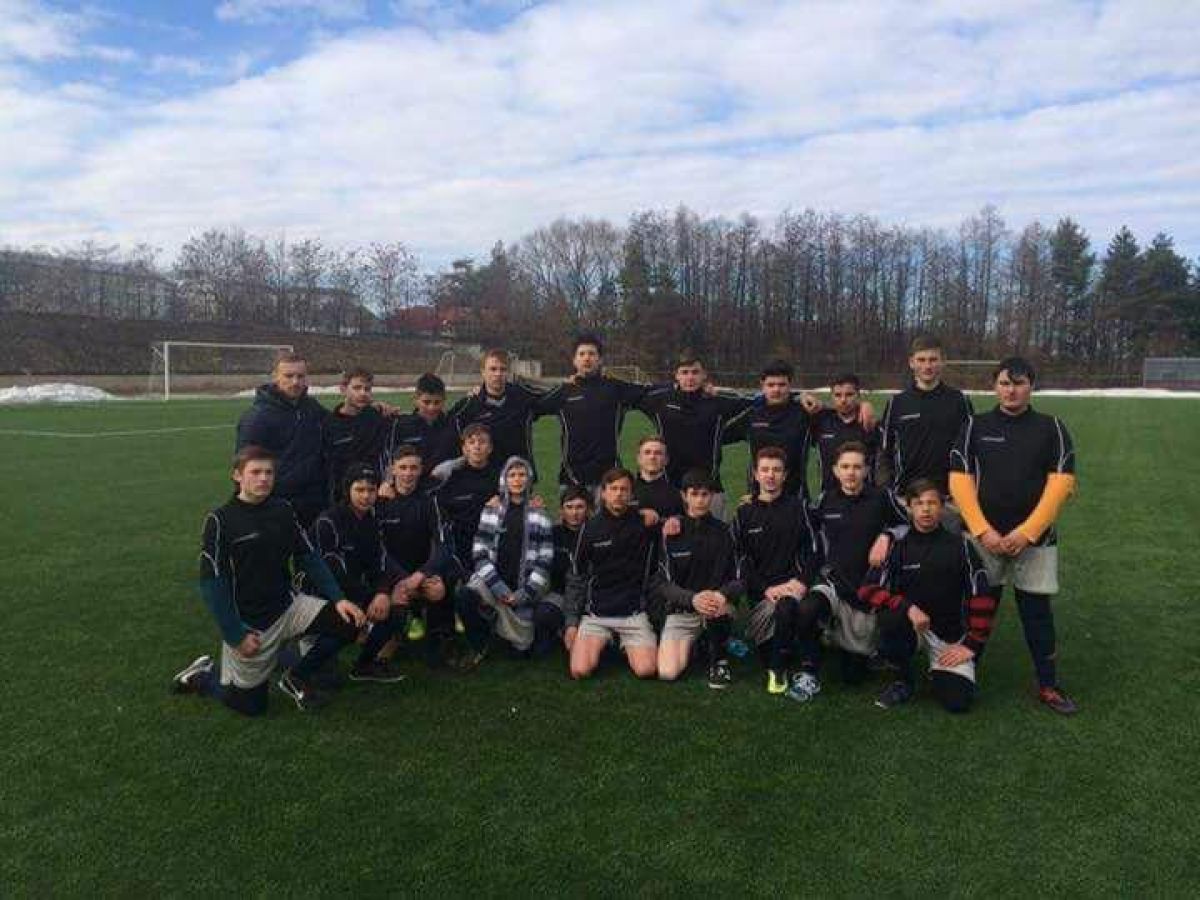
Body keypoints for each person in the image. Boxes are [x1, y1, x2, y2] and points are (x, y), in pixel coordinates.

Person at [171, 445, 366, 715]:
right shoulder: (221, 520)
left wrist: (338, 598)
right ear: (237, 476)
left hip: (289, 607)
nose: (263, 478)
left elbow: (308, 556)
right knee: (251, 707)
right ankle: (202, 676)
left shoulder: (283, 509)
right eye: (255, 472)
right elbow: (212, 585)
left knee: (350, 622)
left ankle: (295, 677)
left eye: (269, 472)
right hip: (252, 624)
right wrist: (235, 635)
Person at [948, 356, 1079, 715]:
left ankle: (1048, 684)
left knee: (1037, 614)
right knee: (977, 608)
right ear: (995, 386)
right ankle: (964, 674)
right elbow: (959, 481)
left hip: (1035, 542)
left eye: (1019, 383)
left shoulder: (1052, 428)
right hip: (983, 541)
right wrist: (982, 530)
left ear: (1031, 386)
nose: (1011, 390)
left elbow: (1061, 484)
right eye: (1004, 383)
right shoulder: (974, 426)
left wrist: (1026, 533)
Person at [861, 480, 996, 714]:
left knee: (957, 702)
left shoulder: (960, 546)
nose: (925, 509)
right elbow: (867, 590)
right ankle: (903, 679)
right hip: (911, 625)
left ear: (942, 507)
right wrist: (908, 607)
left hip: (948, 635)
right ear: (909, 507)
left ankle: (939, 671)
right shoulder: (896, 546)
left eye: (932, 503)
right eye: (919, 503)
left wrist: (971, 644)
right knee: (890, 618)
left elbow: (982, 595)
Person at [732, 446, 822, 702]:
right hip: (764, 597)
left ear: (785, 475)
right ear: (755, 474)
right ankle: (782, 646)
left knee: (789, 608)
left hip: (795, 589)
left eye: (776, 470)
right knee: (769, 647)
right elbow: (740, 561)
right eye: (765, 470)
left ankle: (778, 669)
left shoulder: (799, 508)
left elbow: (816, 551)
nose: (770, 475)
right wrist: (766, 589)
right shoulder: (744, 513)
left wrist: (801, 582)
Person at [809, 442, 904, 684]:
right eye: (845, 467)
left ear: (866, 470)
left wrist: (887, 535)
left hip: (868, 587)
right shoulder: (825, 499)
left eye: (857, 467)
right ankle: (811, 660)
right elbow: (806, 529)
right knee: (808, 609)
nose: (851, 472)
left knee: (853, 677)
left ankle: (849, 640)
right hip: (833, 583)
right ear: (835, 470)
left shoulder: (881, 497)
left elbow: (907, 525)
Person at [305, 465, 407, 683]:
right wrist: (363, 599)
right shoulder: (328, 521)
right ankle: (296, 669)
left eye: (371, 490)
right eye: (359, 490)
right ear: (347, 491)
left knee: (394, 611)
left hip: (354, 588)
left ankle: (364, 666)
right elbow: (330, 571)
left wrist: (382, 593)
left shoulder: (372, 520)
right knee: (348, 627)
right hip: (321, 591)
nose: (366, 496)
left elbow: (379, 561)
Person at [454, 457, 556, 669]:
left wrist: (525, 593)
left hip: (522, 590)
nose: (517, 480)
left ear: (529, 479)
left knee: (521, 651)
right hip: (493, 584)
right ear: (504, 480)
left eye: (522, 475)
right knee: (465, 595)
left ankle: (503, 623)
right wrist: (498, 587)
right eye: (512, 475)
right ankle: (479, 642)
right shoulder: (492, 509)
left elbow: (545, 559)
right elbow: (479, 553)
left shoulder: (540, 513)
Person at [565, 468, 658, 680]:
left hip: (633, 614)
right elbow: (576, 577)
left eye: (624, 489)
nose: (618, 494)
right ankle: (605, 641)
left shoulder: (644, 524)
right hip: (597, 615)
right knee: (580, 670)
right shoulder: (589, 528)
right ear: (604, 493)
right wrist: (571, 623)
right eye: (613, 489)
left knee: (646, 670)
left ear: (631, 494)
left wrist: (665, 518)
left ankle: (620, 642)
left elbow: (678, 522)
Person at [652, 469, 740, 688]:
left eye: (705, 494)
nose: (700, 500)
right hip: (683, 611)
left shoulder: (725, 532)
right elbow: (662, 583)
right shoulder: (671, 533)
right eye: (694, 494)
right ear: (684, 496)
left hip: (717, 607)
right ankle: (701, 643)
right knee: (668, 672)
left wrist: (721, 595)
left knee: (716, 611)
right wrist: (692, 599)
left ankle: (719, 660)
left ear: (712, 496)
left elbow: (740, 578)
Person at [636, 351, 751, 519]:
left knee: (712, 534)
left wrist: (720, 392)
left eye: (695, 372)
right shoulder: (661, 401)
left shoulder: (718, 403)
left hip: (709, 489)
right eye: (684, 372)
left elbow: (756, 402)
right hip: (669, 488)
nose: (690, 377)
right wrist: (669, 387)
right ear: (676, 376)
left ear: (704, 375)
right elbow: (634, 394)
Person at [534, 334, 649, 495]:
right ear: (574, 360)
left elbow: (650, 394)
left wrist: (679, 386)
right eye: (581, 354)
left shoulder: (615, 388)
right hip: (572, 478)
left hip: (609, 479)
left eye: (591, 354)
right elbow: (532, 406)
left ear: (600, 359)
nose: (587, 358)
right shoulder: (563, 391)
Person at [430, 424, 502, 662]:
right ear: (464, 448)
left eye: (482, 442)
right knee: (445, 582)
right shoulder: (451, 478)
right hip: (459, 548)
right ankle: (445, 636)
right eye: (472, 442)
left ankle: (484, 634)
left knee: (478, 589)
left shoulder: (500, 477)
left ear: (490, 447)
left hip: (494, 549)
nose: (477, 446)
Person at [235, 352, 328, 527]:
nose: (295, 382)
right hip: (278, 503)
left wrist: (372, 408)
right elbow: (244, 464)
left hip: (314, 501)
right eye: (289, 376)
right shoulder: (257, 417)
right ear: (275, 377)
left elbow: (339, 423)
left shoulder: (312, 408)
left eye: (300, 376)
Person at [877, 335, 973, 503]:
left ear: (943, 362)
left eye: (933, 360)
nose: (927, 366)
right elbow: (885, 452)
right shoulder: (897, 403)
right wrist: (888, 490)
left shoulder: (959, 401)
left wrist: (963, 492)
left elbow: (971, 450)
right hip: (906, 497)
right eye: (921, 360)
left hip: (948, 498)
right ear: (911, 362)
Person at [377, 444, 448, 651]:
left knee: (437, 590)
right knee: (396, 599)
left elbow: (443, 546)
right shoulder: (381, 502)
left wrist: (421, 574)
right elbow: (378, 550)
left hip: (420, 573)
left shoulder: (429, 502)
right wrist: (400, 578)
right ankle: (393, 635)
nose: (408, 473)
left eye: (413, 468)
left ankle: (437, 639)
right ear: (393, 469)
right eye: (403, 467)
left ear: (420, 470)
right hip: (390, 574)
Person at [723, 360, 816, 501]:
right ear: (762, 386)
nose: (776, 390)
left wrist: (803, 396)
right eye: (771, 385)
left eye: (782, 385)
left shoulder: (805, 413)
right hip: (758, 496)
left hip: (796, 496)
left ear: (790, 385)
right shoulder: (752, 414)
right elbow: (717, 434)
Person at [453, 349, 549, 480]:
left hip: (519, 477)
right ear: (483, 372)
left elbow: (552, 399)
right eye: (493, 369)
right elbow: (450, 430)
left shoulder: (523, 396)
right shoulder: (470, 405)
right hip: (485, 478)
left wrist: (571, 385)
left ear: (508, 372)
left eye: (503, 369)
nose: (498, 374)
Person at [538, 486, 591, 656]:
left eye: (579, 507)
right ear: (561, 510)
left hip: (587, 594)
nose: (574, 513)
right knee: (544, 614)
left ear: (588, 509)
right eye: (569, 507)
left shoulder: (595, 533)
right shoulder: (552, 533)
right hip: (559, 593)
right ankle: (559, 634)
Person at [323, 367, 389, 501]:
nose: (363, 393)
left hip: (373, 492)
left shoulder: (377, 418)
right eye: (357, 388)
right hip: (342, 496)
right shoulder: (329, 424)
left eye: (367, 389)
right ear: (343, 389)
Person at [382, 372, 463, 478]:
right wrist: (387, 482)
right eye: (426, 402)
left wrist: (452, 464)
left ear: (444, 400)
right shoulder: (400, 425)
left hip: (445, 484)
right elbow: (388, 460)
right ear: (415, 400)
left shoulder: (454, 424)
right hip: (411, 484)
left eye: (437, 402)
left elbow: (465, 456)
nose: (431, 407)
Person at [810, 373, 880, 494]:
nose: (843, 400)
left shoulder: (870, 423)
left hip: (864, 496)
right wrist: (803, 396)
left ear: (858, 395)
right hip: (829, 496)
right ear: (831, 396)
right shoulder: (821, 420)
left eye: (849, 395)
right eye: (838, 395)